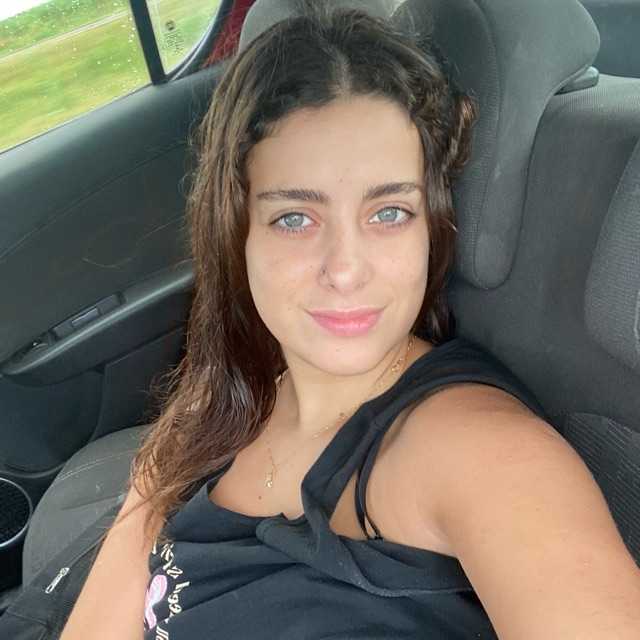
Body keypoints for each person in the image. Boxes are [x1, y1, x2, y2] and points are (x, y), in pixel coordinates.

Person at [60, 3, 640, 639]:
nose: (344, 270)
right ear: (237, 232)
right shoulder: (211, 403)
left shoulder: (487, 456)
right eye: (295, 218)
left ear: (430, 226)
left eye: (389, 212)